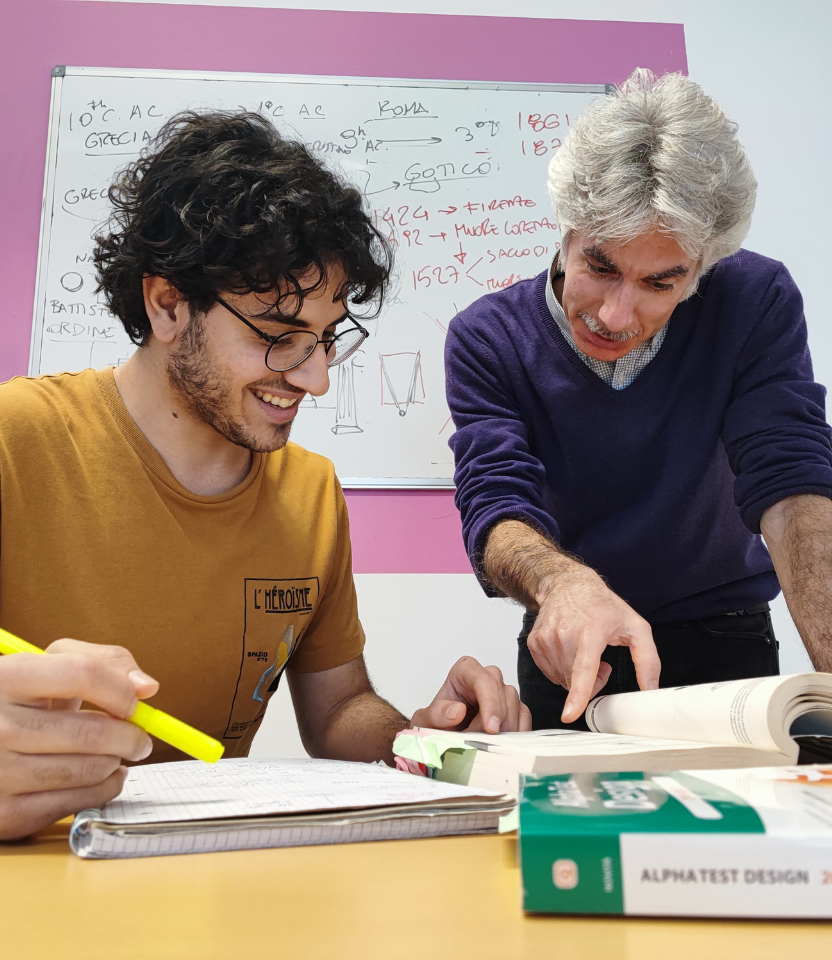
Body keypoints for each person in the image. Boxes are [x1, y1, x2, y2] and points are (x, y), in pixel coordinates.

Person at [0, 111, 529, 842]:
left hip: (214, 880)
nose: (313, 379)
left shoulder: (310, 491)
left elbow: (339, 708)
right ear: (167, 305)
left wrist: (425, 739)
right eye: (279, 337)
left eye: (326, 339)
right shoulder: (15, 441)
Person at [444, 69, 832, 730]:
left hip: (725, 634)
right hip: (573, 642)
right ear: (567, 228)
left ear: (706, 264)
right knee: (583, 829)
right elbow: (496, 501)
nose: (616, 314)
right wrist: (563, 586)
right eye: (600, 266)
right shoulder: (488, 338)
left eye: (661, 281)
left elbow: (790, 480)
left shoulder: (754, 300)